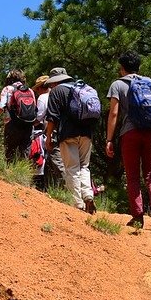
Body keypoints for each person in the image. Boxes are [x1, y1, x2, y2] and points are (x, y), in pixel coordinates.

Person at [106, 51, 151, 228]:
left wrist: (109, 139)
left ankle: (138, 216)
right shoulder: (150, 82)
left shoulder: (118, 84)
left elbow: (114, 113)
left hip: (129, 133)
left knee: (132, 176)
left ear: (122, 68)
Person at [44, 67, 98, 214]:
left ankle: (78, 203)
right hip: (86, 133)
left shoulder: (57, 91)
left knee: (72, 168)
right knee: (84, 167)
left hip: (67, 134)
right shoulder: (82, 87)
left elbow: (52, 118)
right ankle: (88, 195)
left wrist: (48, 137)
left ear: (54, 82)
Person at [0, 70, 35, 162]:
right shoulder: (30, 90)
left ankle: (10, 173)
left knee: (10, 151)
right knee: (24, 152)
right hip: (28, 125)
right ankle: (22, 173)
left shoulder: (8, 89)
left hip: (12, 124)